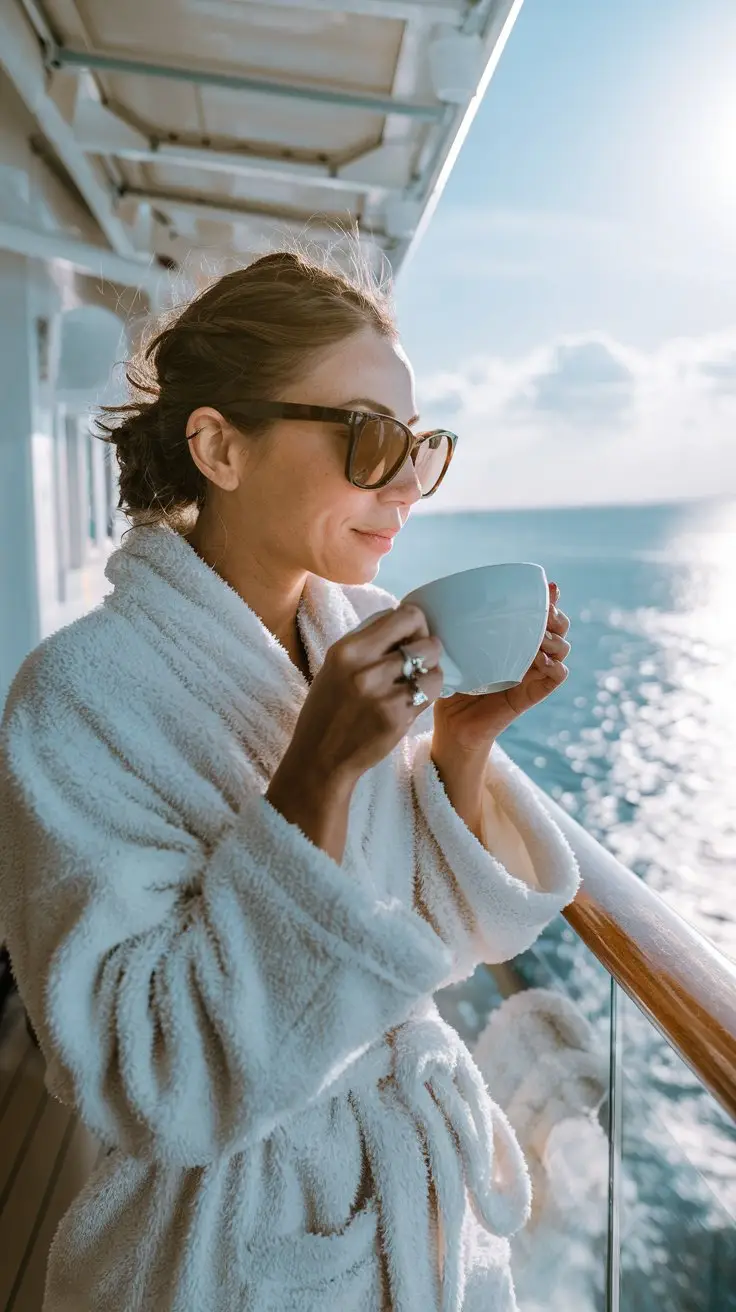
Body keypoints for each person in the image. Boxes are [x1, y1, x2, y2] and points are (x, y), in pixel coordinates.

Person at [0, 246, 580, 1311]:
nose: (404, 484)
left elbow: (442, 942)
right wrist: (312, 774)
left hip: (416, 1212)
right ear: (219, 446)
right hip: (234, 1243)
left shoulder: (360, 632)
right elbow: (144, 1075)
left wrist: (461, 746)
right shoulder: (74, 695)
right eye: (369, 437)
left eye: (420, 446)